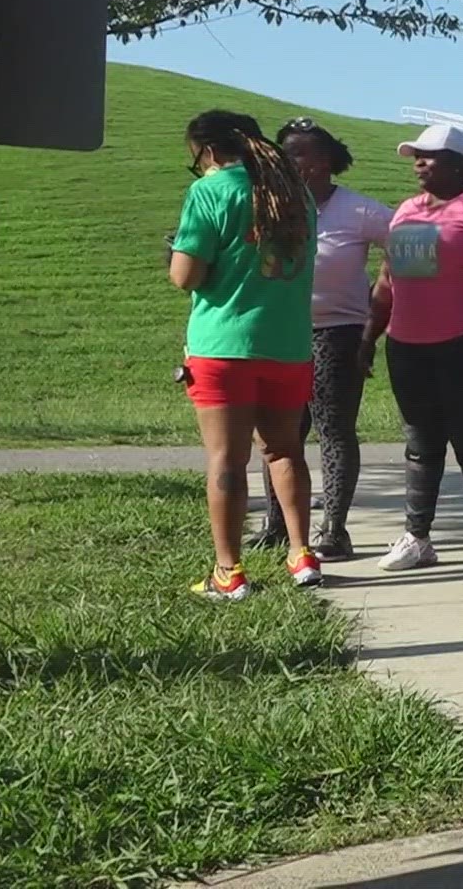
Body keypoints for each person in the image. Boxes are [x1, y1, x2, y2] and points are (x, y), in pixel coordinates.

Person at [169, 110, 322, 600]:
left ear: (209, 151)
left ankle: (228, 571)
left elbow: (186, 276)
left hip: (224, 346)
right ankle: (301, 554)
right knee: (285, 450)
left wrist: (177, 254)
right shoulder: (298, 194)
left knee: (227, 458)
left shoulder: (210, 192)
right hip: (289, 344)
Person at [366, 124, 463, 577]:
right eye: (416, 156)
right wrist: (368, 337)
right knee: (420, 442)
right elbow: (389, 280)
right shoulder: (408, 212)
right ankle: (418, 537)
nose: (419, 163)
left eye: (429, 156)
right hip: (408, 345)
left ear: (459, 164)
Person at [251, 117, 391, 561]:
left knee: (333, 430)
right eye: (287, 152)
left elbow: (413, 248)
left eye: (303, 152)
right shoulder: (274, 208)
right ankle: (277, 525)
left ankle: (334, 528)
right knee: (279, 435)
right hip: (281, 332)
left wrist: (382, 299)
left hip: (339, 332)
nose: (294, 161)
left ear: (328, 160)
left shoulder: (360, 211)